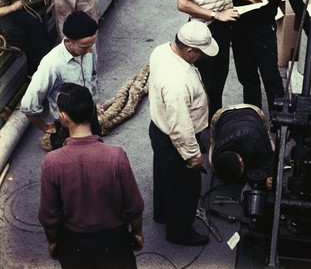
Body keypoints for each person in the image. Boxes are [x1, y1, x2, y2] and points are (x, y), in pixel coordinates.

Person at [38, 82, 144, 269]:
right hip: (114, 243)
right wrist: (137, 232)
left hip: (74, 247)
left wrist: (53, 242)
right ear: (94, 110)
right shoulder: (116, 156)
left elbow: (50, 216)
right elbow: (133, 206)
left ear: (63, 117)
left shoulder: (51, 162)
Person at [177, 0, 265, 119]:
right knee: (203, 83)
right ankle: (198, 128)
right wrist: (216, 14)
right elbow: (183, 3)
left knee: (219, 78)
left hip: (223, 27)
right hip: (206, 30)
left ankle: (214, 119)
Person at [149, 20, 219, 246]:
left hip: (158, 130)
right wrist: (193, 156)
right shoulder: (178, 82)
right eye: (200, 53)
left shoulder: (161, 50)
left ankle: (161, 213)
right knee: (183, 188)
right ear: (189, 50)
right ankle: (179, 232)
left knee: (163, 175)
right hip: (176, 138)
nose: (203, 58)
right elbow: (180, 125)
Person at [20, 10, 101, 149]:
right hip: (65, 127)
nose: (90, 51)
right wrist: (45, 127)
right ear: (68, 41)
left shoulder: (88, 50)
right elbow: (29, 104)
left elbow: (93, 77)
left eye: (92, 44)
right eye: (84, 47)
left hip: (90, 117)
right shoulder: (51, 64)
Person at [209, 104, 275, 189]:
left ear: (240, 159)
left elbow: (269, 165)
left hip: (252, 112)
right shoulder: (215, 158)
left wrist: (263, 181)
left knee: (270, 147)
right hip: (221, 117)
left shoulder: (256, 142)